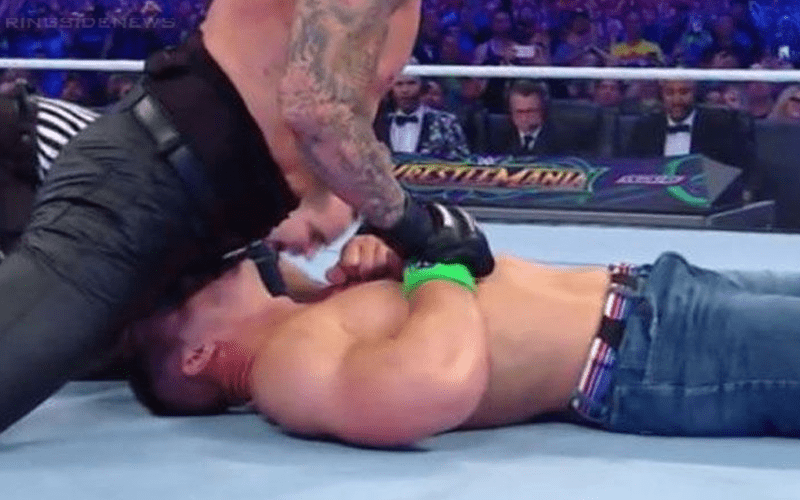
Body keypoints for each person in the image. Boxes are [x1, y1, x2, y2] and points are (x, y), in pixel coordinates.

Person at [0, 0, 495, 434]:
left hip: (203, 208)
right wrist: (414, 228)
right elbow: (317, 109)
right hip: (147, 185)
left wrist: (379, 251)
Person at [127, 194, 800, 446]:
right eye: (185, 296)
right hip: (656, 354)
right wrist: (434, 267)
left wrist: (403, 253)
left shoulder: (313, 313)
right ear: (198, 357)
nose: (205, 272)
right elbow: (431, 385)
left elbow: (452, 279)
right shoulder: (285, 370)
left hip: (655, 292)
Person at [625, 79, 759, 202]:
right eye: (670, 93)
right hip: (655, 202)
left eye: (684, 92)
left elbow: (746, 167)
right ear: (662, 95)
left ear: (695, 92)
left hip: (708, 204)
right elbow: (630, 170)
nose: (677, 100)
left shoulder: (720, 125)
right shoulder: (645, 127)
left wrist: (745, 194)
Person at [374, 73, 470, 160]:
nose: (405, 90)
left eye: (411, 83)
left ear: (422, 87)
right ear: (390, 88)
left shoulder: (445, 121)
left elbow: (462, 159)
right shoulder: (379, 123)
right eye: (399, 84)